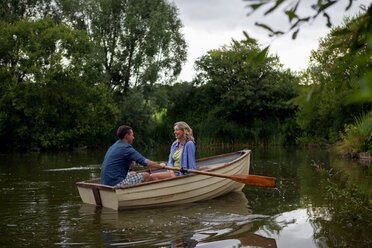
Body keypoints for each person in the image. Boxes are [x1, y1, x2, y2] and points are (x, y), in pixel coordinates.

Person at [101, 125, 174, 186]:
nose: (133, 137)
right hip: (116, 183)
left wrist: (130, 167)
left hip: (105, 183)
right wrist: (160, 166)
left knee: (133, 173)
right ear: (127, 136)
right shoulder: (127, 148)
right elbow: (145, 162)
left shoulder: (113, 146)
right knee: (146, 175)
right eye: (132, 135)